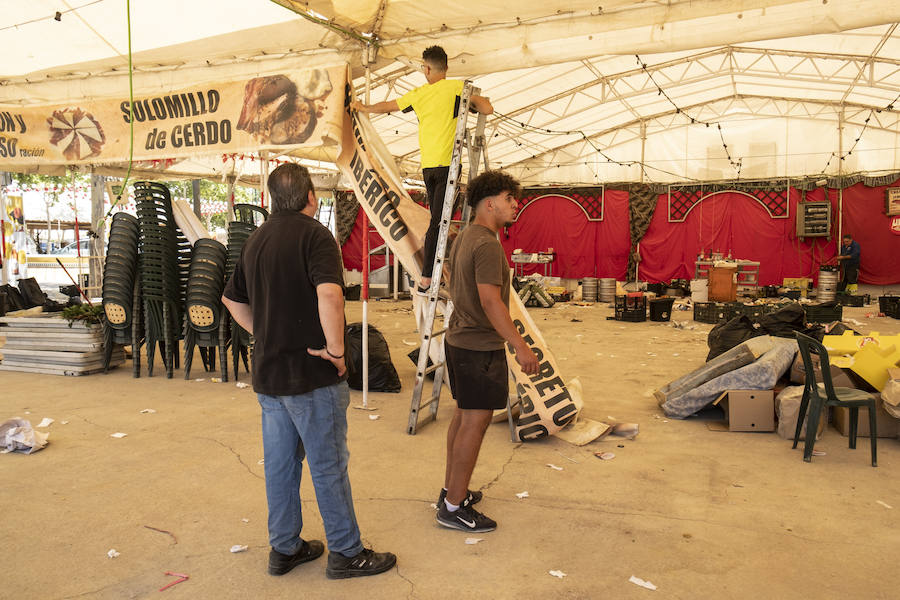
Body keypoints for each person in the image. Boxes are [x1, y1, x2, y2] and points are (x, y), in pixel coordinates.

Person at [222, 163, 396, 579]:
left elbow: (232, 300)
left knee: (281, 465)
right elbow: (331, 295)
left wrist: (265, 333)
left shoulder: (256, 240)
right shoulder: (315, 235)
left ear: (271, 198)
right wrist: (337, 352)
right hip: (311, 373)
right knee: (327, 463)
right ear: (310, 198)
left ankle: (284, 549)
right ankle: (346, 552)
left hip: (269, 375)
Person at [436, 170, 540, 533]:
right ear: (490, 202)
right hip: (478, 346)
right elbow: (491, 301)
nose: (515, 205)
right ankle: (452, 507)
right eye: (510, 199)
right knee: (474, 424)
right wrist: (521, 346)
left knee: (464, 417)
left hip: (459, 339)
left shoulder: (466, 236)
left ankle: (453, 490)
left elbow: (456, 281)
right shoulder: (488, 245)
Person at [350, 45, 493, 294]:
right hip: (449, 166)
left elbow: (387, 106)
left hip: (429, 168)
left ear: (426, 69)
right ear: (446, 67)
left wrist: (363, 108)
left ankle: (429, 276)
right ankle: (430, 276)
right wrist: (475, 102)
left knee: (437, 222)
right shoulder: (458, 88)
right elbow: (487, 109)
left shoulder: (419, 94)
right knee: (439, 222)